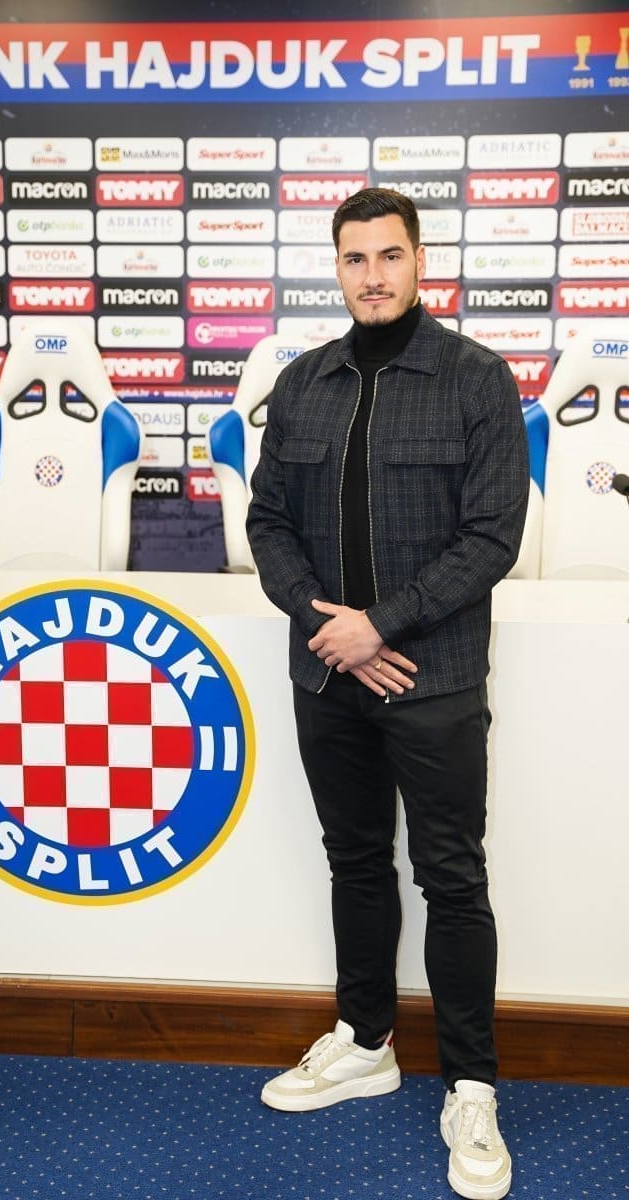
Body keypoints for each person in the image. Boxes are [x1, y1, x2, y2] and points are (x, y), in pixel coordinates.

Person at [246, 187, 529, 1200]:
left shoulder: (475, 379)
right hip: (327, 675)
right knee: (355, 861)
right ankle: (365, 1041)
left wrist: (382, 624)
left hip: (433, 680)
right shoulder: (302, 383)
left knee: (450, 876)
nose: (372, 275)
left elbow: (491, 536)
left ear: (419, 261)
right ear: (337, 268)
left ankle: (471, 1088)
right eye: (355, 258)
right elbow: (267, 524)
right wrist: (328, 626)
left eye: (389, 255)